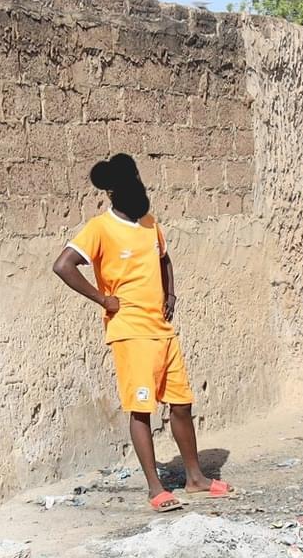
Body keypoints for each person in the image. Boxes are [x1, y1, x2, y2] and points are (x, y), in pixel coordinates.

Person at [54, 153, 232, 512]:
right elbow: (63, 265)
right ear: (114, 191)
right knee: (141, 409)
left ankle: (195, 477)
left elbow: (164, 258)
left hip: (162, 329)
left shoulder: (151, 223)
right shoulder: (99, 228)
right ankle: (155, 488)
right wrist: (103, 299)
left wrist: (170, 293)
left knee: (181, 404)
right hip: (130, 331)